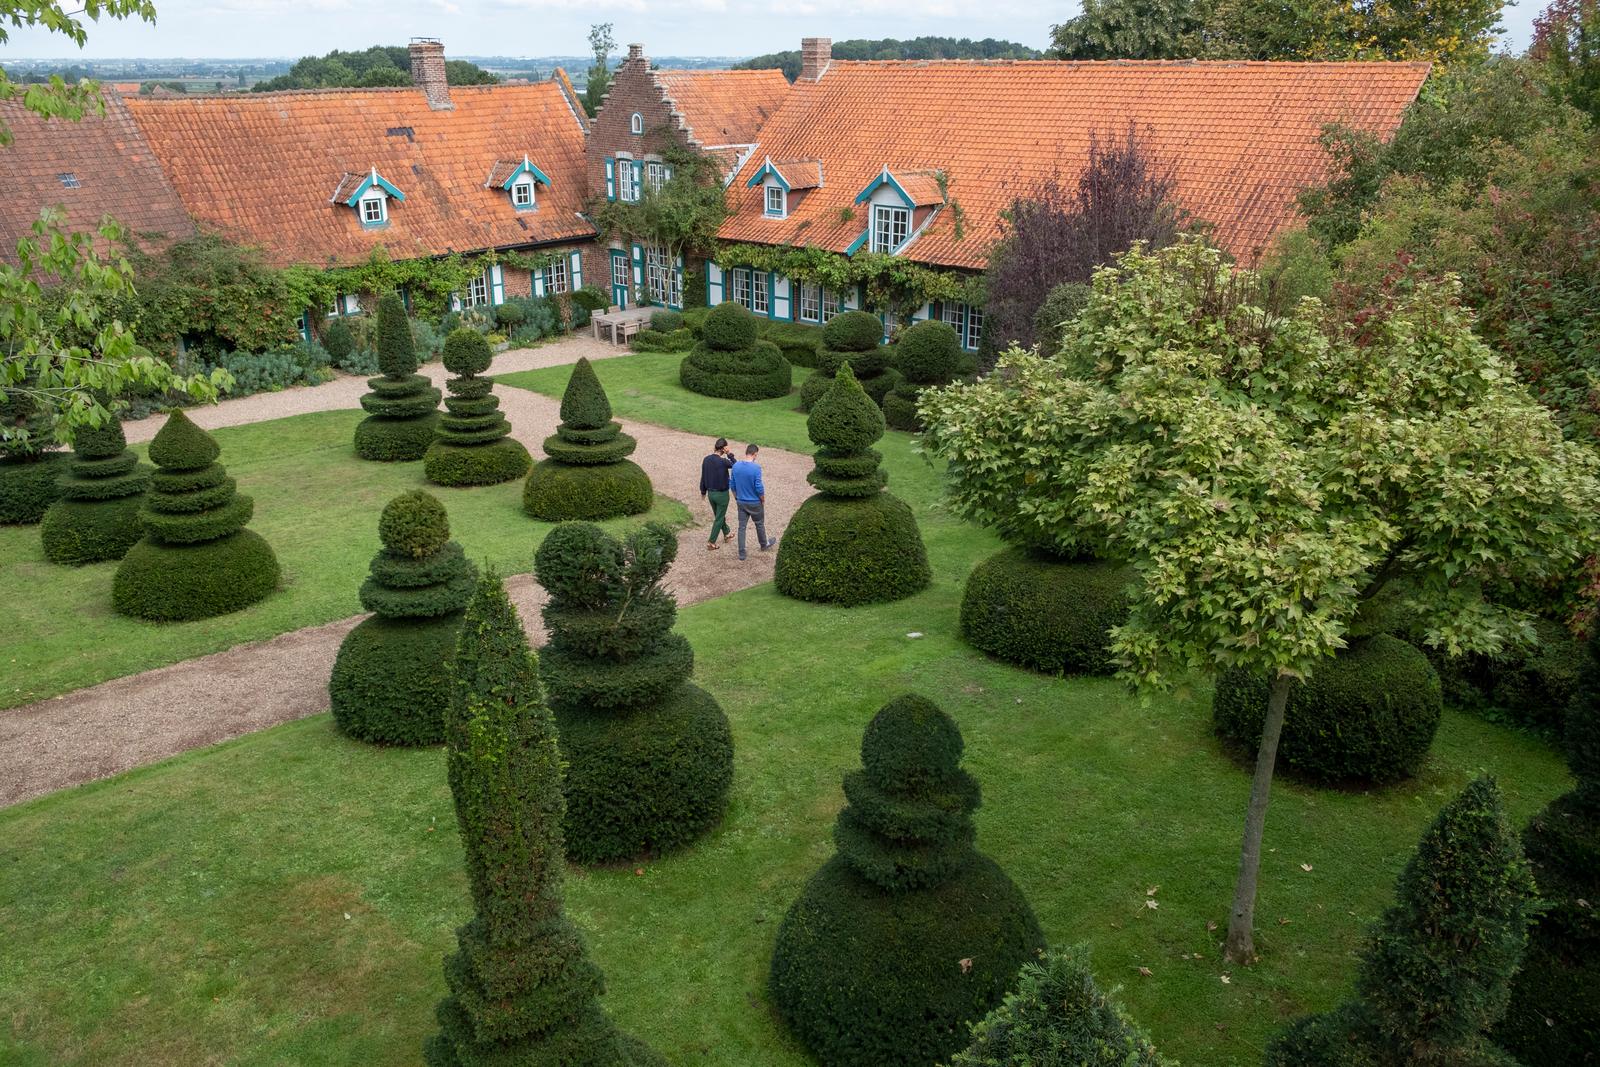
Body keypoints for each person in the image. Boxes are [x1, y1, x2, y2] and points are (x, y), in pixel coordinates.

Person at [730, 443, 777, 561]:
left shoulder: (736, 466)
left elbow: (733, 485)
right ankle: (763, 544)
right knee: (759, 524)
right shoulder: (756, 468)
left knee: (742, 527)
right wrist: (763, 499)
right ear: (755, 454)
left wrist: (737, 498)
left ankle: (741, 552)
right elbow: (759, 487)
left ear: (746, 452)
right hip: (755, 502)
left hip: (741, 501)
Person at [699, 437, 735, 550]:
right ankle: (711, 542)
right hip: (722, 495)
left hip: (711, 494)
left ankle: (727, 533)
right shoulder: (724, 462)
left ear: (714, 447)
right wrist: (730, 454)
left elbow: (703, 477)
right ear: (723, 449)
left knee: (719, 515)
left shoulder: (706, 459)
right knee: (719, 518)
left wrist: (703, 491)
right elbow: (736, 465)